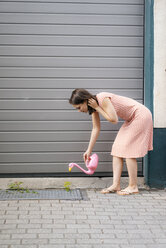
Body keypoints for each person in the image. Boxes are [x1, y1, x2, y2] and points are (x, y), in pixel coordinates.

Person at [69, 88, 153, 195]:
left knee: (129, 151)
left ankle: (133, 186)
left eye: (79, 107)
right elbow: (96, 129)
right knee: (117, 149)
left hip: (140, 115)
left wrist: (97, 108)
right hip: (131, 119)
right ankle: (115, 185)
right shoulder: (94, 107)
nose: (79, 110)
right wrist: (88, 150)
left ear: (85, 101)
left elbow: (114, 120)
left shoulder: (102, 98)